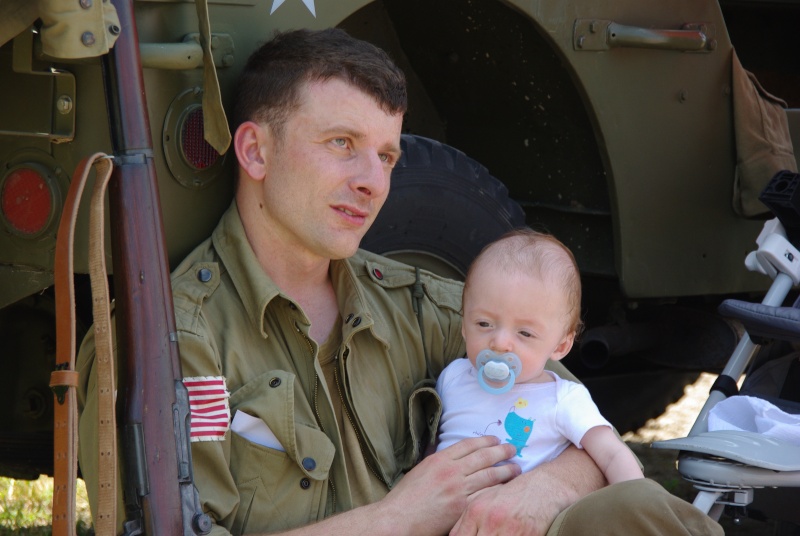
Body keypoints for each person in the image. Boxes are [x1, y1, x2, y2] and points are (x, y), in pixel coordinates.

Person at [77, 28, 723, 535]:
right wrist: (397, 519)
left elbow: (573, 412)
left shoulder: (422, 306)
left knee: (628, 513)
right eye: (340, 143)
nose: (372, 181)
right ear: (254, 152)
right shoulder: (176, 341)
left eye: (385, 155)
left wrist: (544, 489)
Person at [436, 230, 644, 484]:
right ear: (463, 325)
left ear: (561, 346)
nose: (500, 343)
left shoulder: (563, 400)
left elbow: (612, 455)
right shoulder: (453, 377)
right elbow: (433, 448)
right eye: (483, 323)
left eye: (524, 332)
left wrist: (634, 499)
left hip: (519, 517)